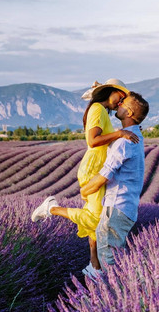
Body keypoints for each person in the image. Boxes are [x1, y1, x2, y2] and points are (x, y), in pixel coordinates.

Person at [31, 78, 139, 275]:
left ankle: (94, 265)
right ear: (110, 92)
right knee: (96, 219)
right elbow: (93, 140)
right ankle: (51, 208)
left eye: (124, 100)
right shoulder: (97, 108)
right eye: (120, 96)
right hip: (93, 168)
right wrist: (119, 133)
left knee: (95, 219)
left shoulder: (101, 110)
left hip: (97, 166)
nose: (121, 102)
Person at [79, 91, 149, 275]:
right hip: (126, 207)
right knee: (114, 256)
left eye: (124, 103)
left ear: (130, 114)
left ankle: (116, 296)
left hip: (116, 207)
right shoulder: (135, 136)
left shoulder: (124, 142)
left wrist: (85, 190)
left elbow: (104, 176)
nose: (119, 104)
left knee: (109, 260)